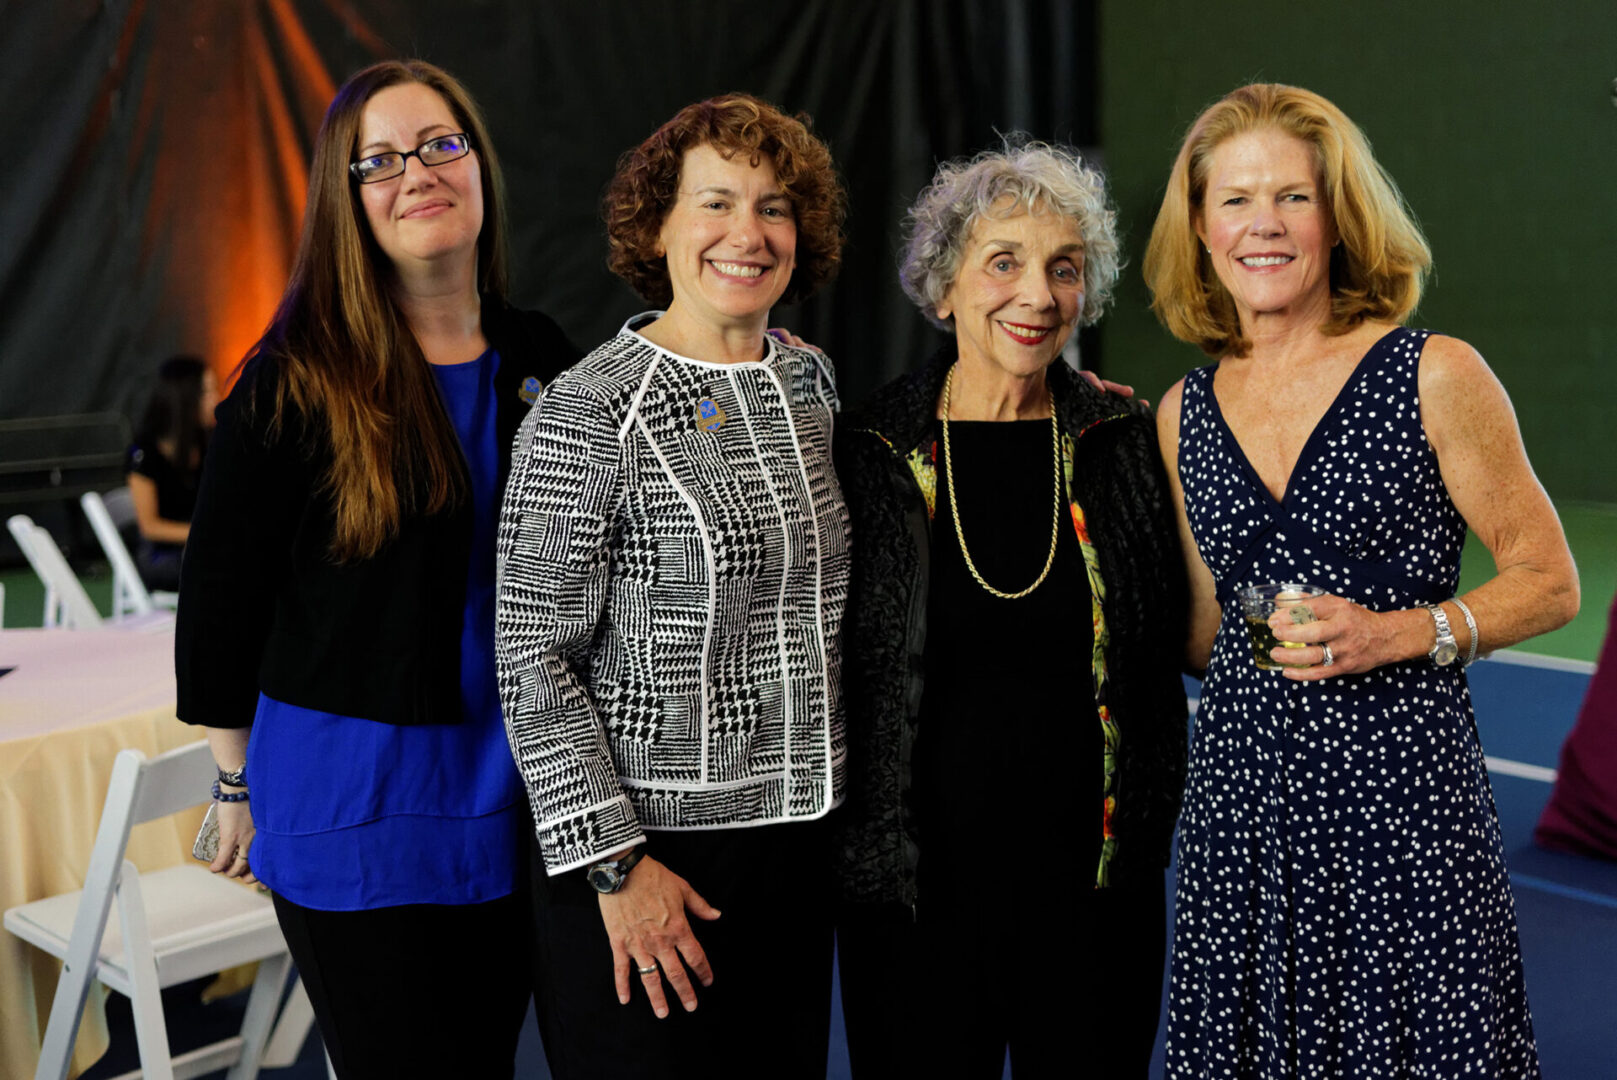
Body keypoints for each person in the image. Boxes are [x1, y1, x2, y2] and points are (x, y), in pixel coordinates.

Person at [1145, 82, 1579, 1077]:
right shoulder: (1184, 413)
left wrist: (1398, 632)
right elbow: (1207, 635)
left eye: (1293, 197)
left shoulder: (1435, 373)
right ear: (1202, 227)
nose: (1265, 224)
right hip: (1243, 820)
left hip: (1406, 814)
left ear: (1339, 217)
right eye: (1237, 200)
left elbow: (1551, 582)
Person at [174, 60, 578, 1079]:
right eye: (381, 161)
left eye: (442, 145)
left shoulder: (542, 355)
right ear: (345, 197)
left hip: (518, 799)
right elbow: (219, 607)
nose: (418, 174)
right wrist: (234, 785)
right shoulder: (292, 381)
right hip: (360, 815)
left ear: (479, 166)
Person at [494, 93, 849, 1080]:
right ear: (657, 225)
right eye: (716, 203)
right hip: (648, 862)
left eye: (774, 207)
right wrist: (614, 866)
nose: (748, 233)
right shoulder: (588, 408)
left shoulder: (810, 382)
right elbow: (530, 657)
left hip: (793, 853)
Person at [832, 140, 1190, 1078]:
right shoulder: (867, 449)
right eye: (1003, 262)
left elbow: (1186, 642)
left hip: (1097, 895)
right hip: (913, 900)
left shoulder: (1122, 440)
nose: (1036, 295)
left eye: (1062, 269)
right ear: (943, 285)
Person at [125, 355, 217, 590]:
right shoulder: (145, 453)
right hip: (161, 556)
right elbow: (150, 526)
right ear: (185, 398)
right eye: (207, 392)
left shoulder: (208, 442)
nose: (216, 399)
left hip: (201, 544)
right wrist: (208, 534)